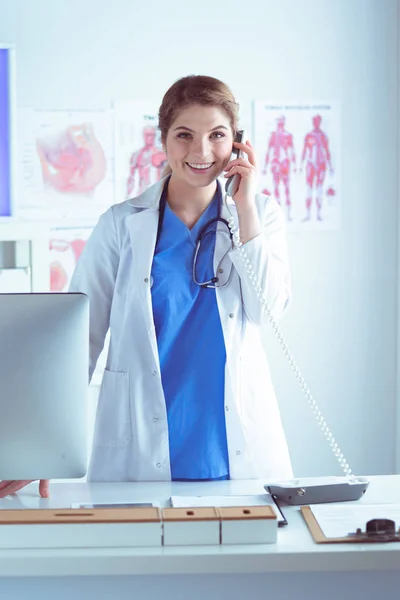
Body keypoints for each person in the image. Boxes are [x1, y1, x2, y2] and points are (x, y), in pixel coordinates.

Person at [0, 75, 293, 498]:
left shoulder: (260, 215)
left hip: (235, 448)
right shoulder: (121, 224)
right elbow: (78, 338)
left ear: (238, 143)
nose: (201, 151)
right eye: (185, 135)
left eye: (217, 135)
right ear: (163, 141)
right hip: (139, 447)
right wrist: (38, 445)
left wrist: (245, 209)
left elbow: (266, 312)